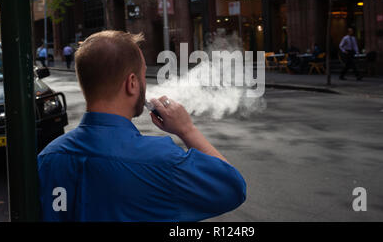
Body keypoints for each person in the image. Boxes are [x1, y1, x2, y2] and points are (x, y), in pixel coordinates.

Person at [37, 30, 246, 222]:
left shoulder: (47, 159)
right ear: (132, 83)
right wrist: (187, 129)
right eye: (143, 75)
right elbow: (232, 188)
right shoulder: (161, 159)